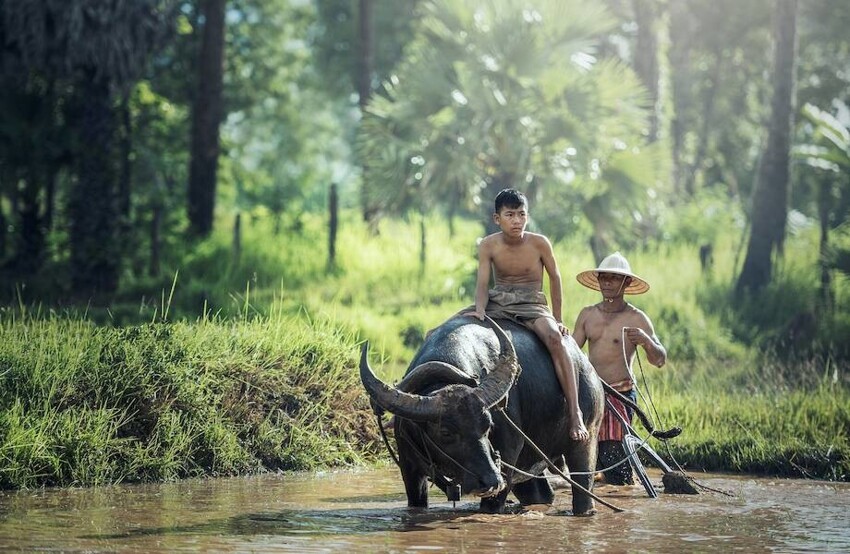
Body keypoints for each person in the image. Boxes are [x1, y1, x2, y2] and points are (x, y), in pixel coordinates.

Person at [462, 188, 589, 442]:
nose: (517, 221)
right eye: (510, 215)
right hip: (499, 301)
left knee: (555, 339)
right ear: (497, 218)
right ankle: (408, 410)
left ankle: (575, 413)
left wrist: (558, 318)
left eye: (522, 214)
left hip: (532, 303)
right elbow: (483, 284)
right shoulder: (488, 244)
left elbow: (555, 278)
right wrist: (478, 309)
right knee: (446, 329)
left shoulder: (539, 242)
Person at [572, 251, 667, 485]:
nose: (606, 282)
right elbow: (572, 353)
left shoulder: (636, 318)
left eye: (613, 278)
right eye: (603, 277)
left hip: (620, 395)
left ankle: (622, 490)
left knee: (615, 459)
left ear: (626, 282)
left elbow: (660, 359)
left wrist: (645, 340)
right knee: (586, 454)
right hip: (591, 394)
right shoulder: (588, 315)